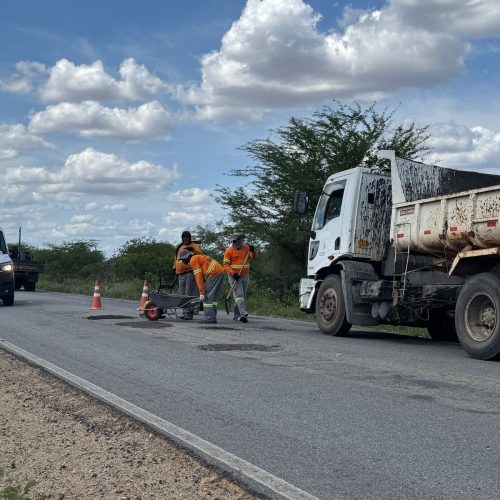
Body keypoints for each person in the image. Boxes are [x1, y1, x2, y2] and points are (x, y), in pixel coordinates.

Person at [177, 249, 225, 324]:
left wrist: (202, 293)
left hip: (214, 273)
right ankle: (212, 317)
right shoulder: (197, 257)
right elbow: (202, 275)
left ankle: (209, 318)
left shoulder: (193, 260)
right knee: (213, 297)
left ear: (187, 257)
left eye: (183, 259)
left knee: (207, 296)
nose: (183, 262)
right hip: (220, 271)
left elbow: (198, 276)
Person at [223, 234, 257, 323]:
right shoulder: (228, 251)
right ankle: (243, 314)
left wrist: (253, 251)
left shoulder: (246, 249)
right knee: (239, 295)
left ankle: (236, 315)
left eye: (240, 241)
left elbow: (255, 258)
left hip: (245, 276)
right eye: (237, 241)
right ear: (233, 242)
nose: (239, 243)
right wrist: (233, 274)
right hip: (234, 277)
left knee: (241, 297)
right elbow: (225, 265)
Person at [172, 230, 202, 320]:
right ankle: (185, 313)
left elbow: (200, 255)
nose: (185, 239)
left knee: (189, 294)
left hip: (190, 272)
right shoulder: (180, 247)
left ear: (189, 238)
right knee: (182, 294)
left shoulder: (194, 246)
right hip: (180, 273)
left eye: (187, 237)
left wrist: (193, 250)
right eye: (183, 237)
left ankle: (189, 314)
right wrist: (174, 267)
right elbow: (176, 258)